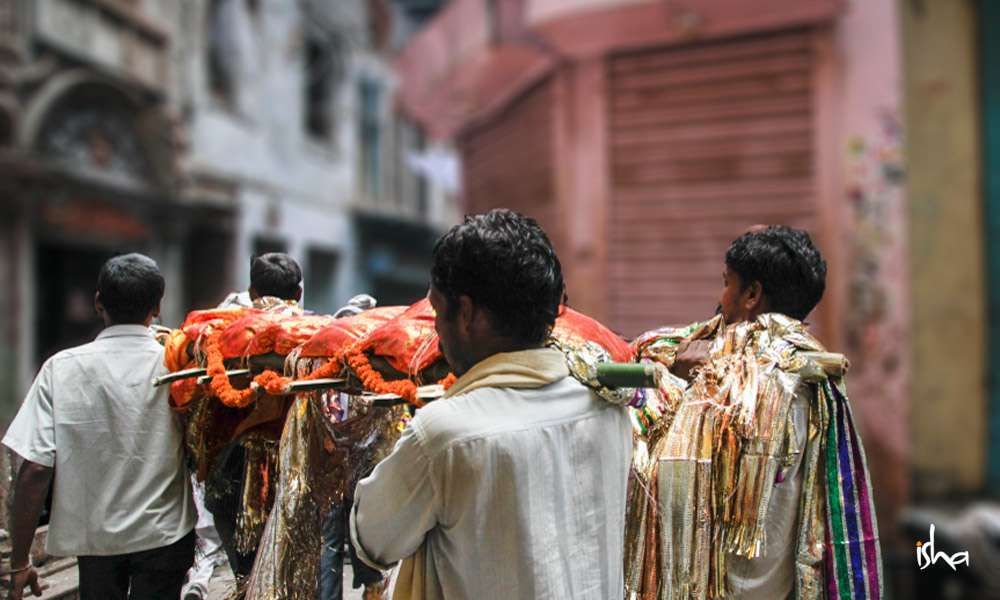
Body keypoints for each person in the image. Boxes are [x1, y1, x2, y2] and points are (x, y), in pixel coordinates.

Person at [350, 209, 632, 599]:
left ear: (465, 313)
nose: (435, 327)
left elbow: (373, 538)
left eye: (436, 310)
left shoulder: (444, 435)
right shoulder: (609, 408)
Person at [625, 226, 882, 599]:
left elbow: (661, 470)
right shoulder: (813, 380)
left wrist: (677, 381)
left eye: (726, 283)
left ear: (751, 294)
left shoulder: (728, 381)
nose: (720, 298)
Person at [4, 253, 196, 600]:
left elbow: (34, 469)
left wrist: (19, 562)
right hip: (165, 534)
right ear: (157, 307)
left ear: (98, 303)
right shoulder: (179, 368)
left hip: (96, 541)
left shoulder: (60, 369)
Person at [201, 252, 305, 584]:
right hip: (301, 464)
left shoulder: (222, 333)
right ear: (299, 294)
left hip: (234, 463)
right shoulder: (319, 335)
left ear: (251, 291)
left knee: (247, 570)